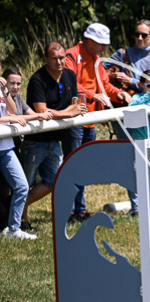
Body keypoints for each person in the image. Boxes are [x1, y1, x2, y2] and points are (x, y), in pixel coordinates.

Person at [65, 23, 129, 221]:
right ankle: (68, 209)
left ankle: (80, 209)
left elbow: (105, 85)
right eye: (101, 44)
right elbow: (69, 84)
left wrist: (119, 94)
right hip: (74, 118)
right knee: (71, 165)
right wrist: (93, 96)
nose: (104, 48)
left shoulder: (96, 59)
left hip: (91, 119)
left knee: (83, 166)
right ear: (89, 40)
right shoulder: (71, 56)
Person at [24, 43, 87, 211]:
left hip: (55, 139)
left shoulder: (69, 75)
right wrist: (68, 113)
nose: (59, 62)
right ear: (45, 59)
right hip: (35, 139)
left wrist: (71, 111)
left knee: (53, 182)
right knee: (24, 183)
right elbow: (42, 110)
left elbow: (74, 103)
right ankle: (20, 218)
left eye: (62, 58)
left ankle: (20, 210)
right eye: (54, 59)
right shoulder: (37, 79)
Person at [0, 61, 51, 239]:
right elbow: (10, 118)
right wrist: (11, 119)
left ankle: (13, 229)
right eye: (11, 83)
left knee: (21, 186)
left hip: (6, 148)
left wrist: (5, 91)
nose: (15, 86)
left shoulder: (2, 89)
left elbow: (12, 110)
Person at [124, 70, 150, 216]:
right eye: (149, 85)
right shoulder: (137, 97)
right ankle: (136, 207)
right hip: (137, 143)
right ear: (141, 84)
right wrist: (149, 95)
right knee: (134, 175)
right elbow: (132, 107)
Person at [106, 19, 150, 94]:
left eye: (144, 35)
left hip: (146, 101)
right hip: (123, 99)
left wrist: (131, 81)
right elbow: (100, 69)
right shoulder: (122, 53)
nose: (140, 38)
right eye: (137, 35)